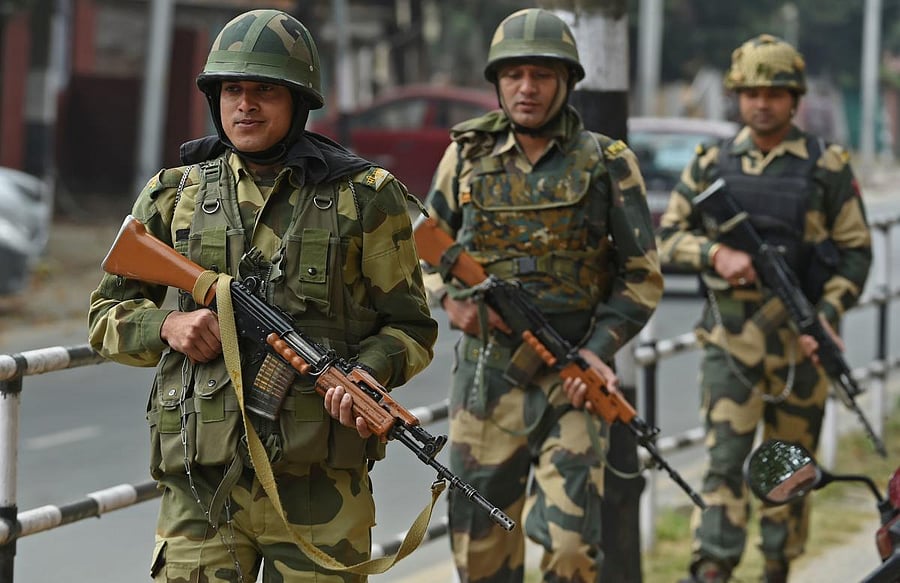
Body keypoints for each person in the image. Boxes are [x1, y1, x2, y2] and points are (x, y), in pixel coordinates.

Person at [88, 9, 437, 582]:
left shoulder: (365, 197)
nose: (245, 105)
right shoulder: (174, 192)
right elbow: (104, 316)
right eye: (232, 90)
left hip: (319, 492)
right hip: (201, 494)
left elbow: (411, 329)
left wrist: (370, 373)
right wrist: (168, 328)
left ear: (298, 100)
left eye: (265, 90)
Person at [417, 8, 663, 582]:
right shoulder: (466, 156)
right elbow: (425, 246)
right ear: (498, 82)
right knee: (480, 554)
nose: (527, 88)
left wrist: (600, 349)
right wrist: (449, 299)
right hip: (486, 382)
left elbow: (641, 274)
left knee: (574, 549)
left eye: (542, 75)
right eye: (514, 75)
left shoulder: (608, 162)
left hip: (571, 378)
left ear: (567, 81)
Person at [656, 34, 872, 583]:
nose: (762, 103)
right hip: (730, 344)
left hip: (801, 346)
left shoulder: (826, 165)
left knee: (791, 471)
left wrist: (825, 313)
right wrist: (715, 253)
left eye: (775, 92)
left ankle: (778, 564)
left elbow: (856, 251)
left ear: (794, 99)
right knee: (724, 461)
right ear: (737, 97)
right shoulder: (712, 163)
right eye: (751, 92)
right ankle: (713, 566)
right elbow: (668, 239)